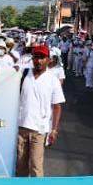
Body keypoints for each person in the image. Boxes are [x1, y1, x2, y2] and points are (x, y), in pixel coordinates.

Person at [15, 44, 65, 177]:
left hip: (39, 129)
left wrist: (54, 129)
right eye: (36, 57)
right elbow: (5, 74)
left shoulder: (52, 80)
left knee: (36, 166)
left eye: (42, 57)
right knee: (20, 166)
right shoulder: (24, 73)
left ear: (48, 60)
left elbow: (57, 106)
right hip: (21, 127)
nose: (38, 61)